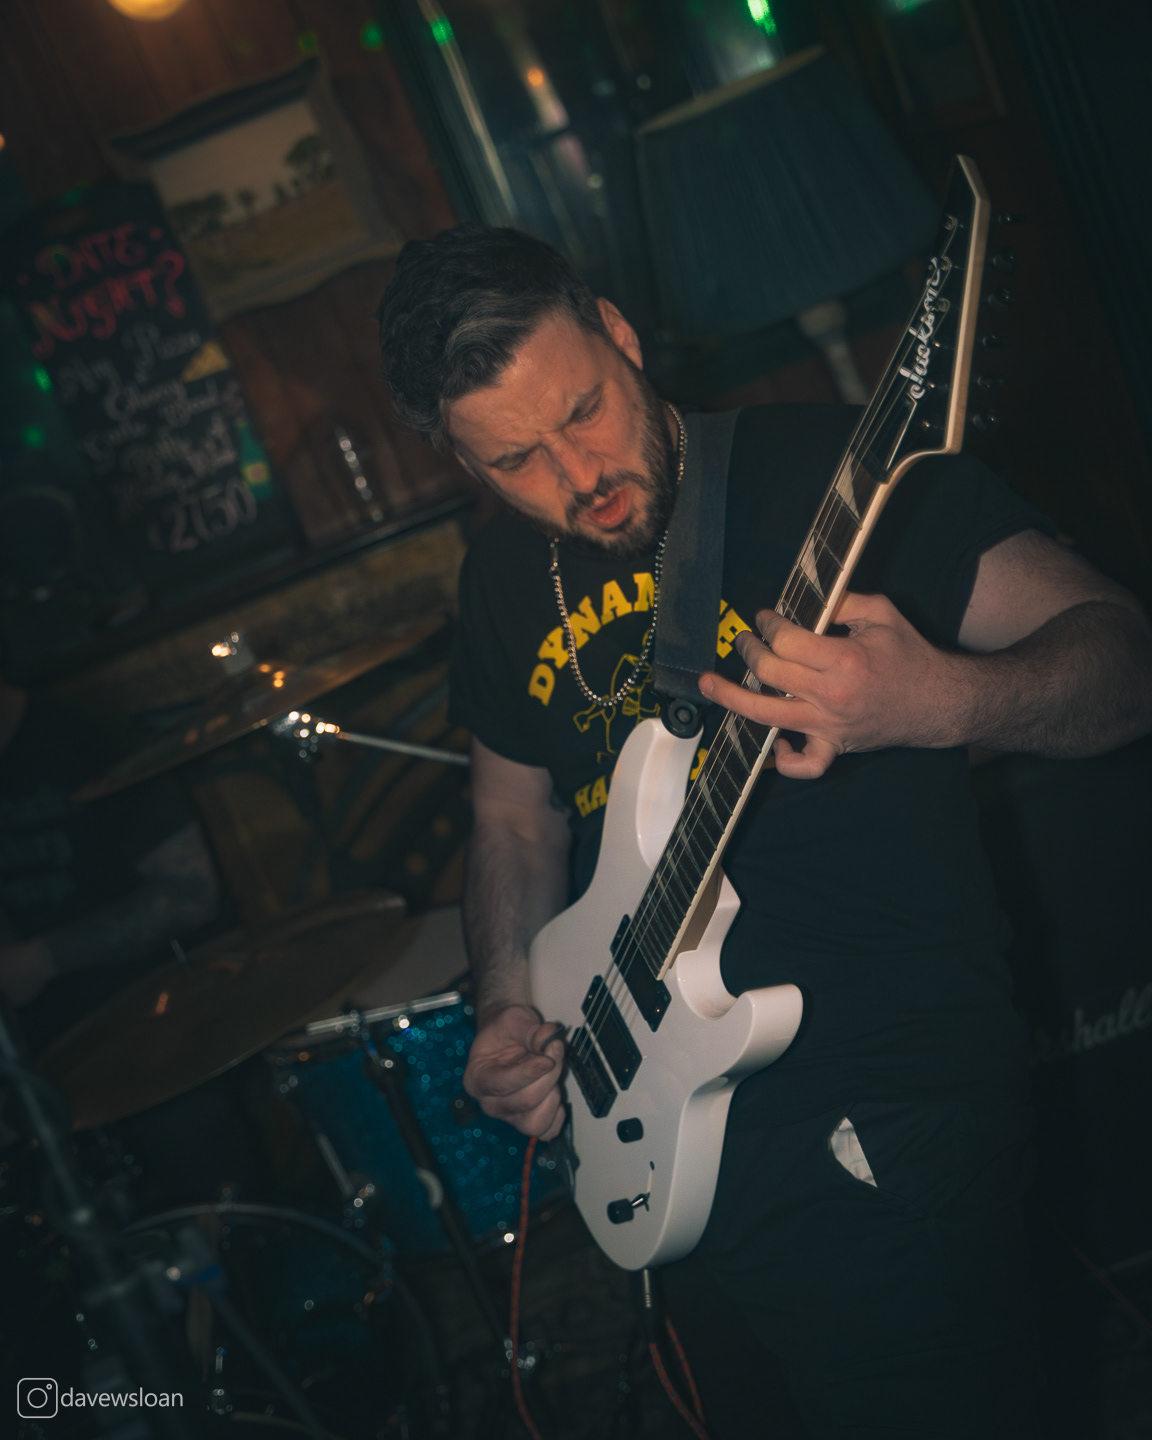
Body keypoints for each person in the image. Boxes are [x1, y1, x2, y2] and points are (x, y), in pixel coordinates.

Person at [375, 225, 1152, 1437]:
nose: (578, 476)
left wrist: (938, 700)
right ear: (460, 458)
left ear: (620, 335)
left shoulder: (842, 475)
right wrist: (506, 1004)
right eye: (516, 459)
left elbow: (1125, 666)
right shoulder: (501, 580)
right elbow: (511, 818)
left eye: (583, 411)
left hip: (881, 1108)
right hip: (655, 1142)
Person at [0, 657, 220, 1054]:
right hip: (49, 1050)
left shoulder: (84, 736)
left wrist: (40, 959)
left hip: (158, 1013)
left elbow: (191, 893)